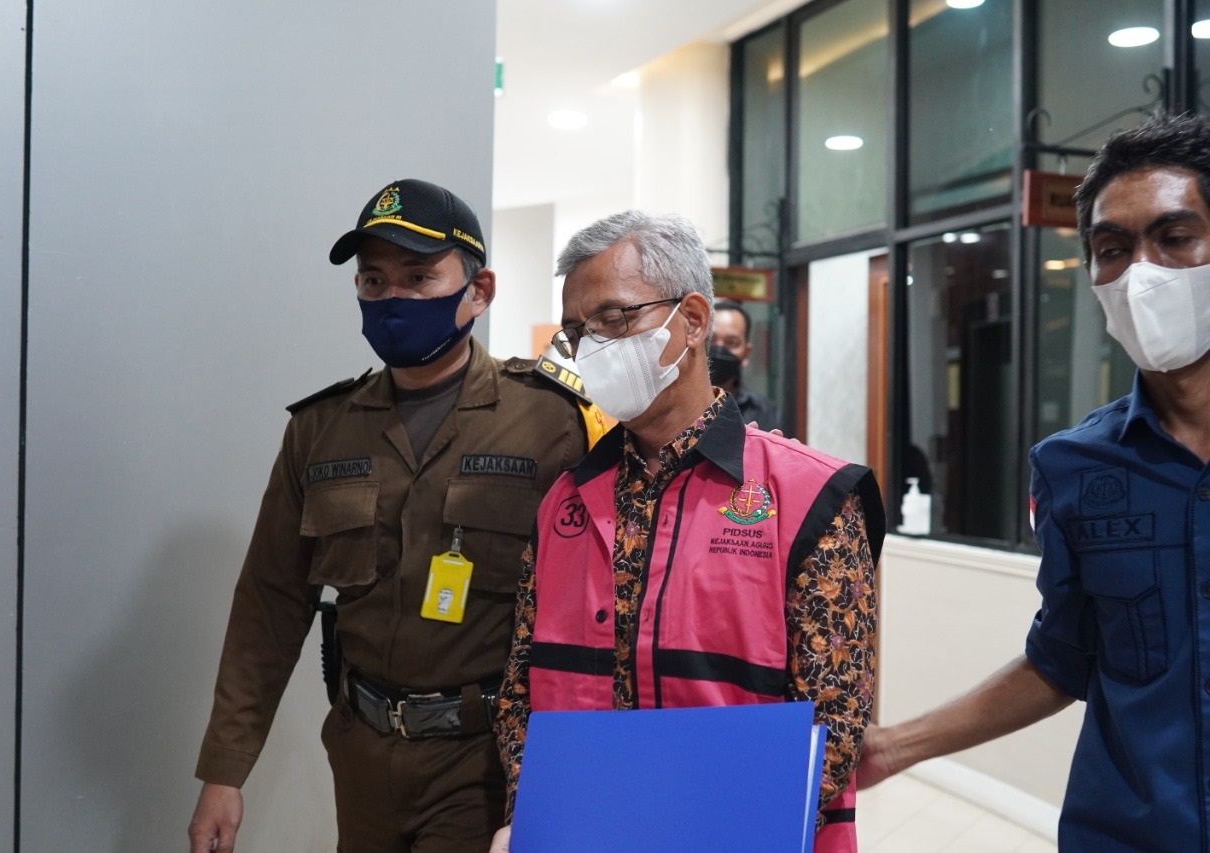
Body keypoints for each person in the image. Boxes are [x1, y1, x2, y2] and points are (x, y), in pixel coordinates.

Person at [187, 178, 603, 853]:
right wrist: (225, 770)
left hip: (483, 759)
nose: (393, 298)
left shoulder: (551, 421)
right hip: (362, 754)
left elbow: (593, 610)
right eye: (374, 280)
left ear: (480, 290)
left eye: (418, 276)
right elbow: (270, 603)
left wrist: (572, 771)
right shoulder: (321, 430)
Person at [859, 112, 1210, 851]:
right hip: (1125, 835)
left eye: (1176, 238)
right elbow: (1063, 657)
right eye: (1112, 250)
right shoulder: (1073, 466)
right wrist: (894, 746)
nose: (1141, 272)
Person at [488, 211, 886, 852]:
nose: (591, 348)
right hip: (583, 831)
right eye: (576, 332)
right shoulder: (566, 502)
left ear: (693, 320)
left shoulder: (811, 497)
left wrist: (702, 829)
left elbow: (834, 719)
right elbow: (520, 692)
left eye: (613, 319)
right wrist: (533, 814)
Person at [710, 298, 782, 432]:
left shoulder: (766, 412)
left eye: (731, 343)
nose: (719, 348)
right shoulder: (674, 405)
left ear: (746, 353)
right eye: (710, 340)